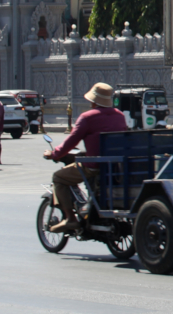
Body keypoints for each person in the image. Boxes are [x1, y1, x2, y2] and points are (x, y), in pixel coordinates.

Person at [43, 82, 127, 232]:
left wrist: (55, 154)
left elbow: (70, 141)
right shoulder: (120, 116)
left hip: (94, 166)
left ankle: (70, 218)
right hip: (114, 165)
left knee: (58, 177)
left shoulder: (87, 117)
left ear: (94, 101)